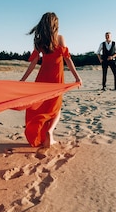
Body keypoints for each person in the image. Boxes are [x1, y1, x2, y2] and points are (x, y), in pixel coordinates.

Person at [20, 12, 82, 148]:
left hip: (42, 78)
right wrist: (77, 77)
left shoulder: (39, 41)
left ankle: (47, 135)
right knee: (56, 108)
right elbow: (67, 59)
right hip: (56, 78)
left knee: (41, 107)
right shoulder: (60, 38)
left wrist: (23, 79)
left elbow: (33, 62)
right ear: (55, 24)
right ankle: (49, 131)